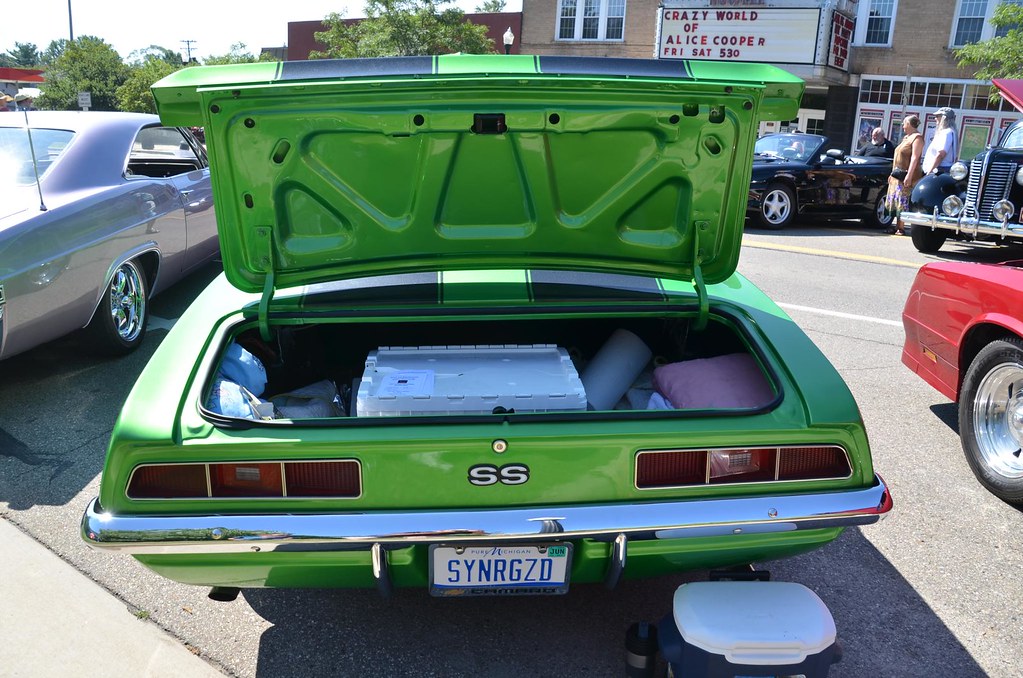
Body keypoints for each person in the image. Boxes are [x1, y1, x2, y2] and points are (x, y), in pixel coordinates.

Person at [885, 115, 924, 235]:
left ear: (910, 124)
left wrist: (909, 175)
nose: (902, 125)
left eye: (904, 123)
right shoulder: (906, 138)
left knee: (903, 200)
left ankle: (901, 228)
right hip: (897, 175)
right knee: (896, 200)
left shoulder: (917, 138)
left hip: (906, 175)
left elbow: (915, 158)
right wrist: (892, 174)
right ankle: (896, 226)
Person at [922, 107, 958, 174]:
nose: (935, 118)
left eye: (937, 116)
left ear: (944, 118)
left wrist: (930, 171)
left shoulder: (946, 132)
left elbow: (941, 154)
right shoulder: (951, 132)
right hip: (941, 168)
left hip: (940, 169)